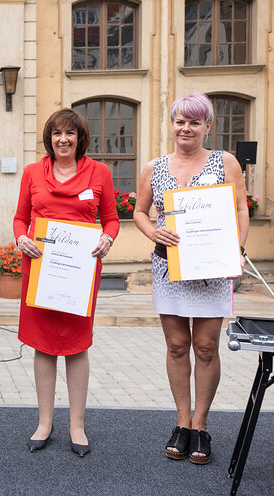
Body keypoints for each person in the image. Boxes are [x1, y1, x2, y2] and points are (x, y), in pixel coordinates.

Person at [133, 93, 249, 465]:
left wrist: (238, 251)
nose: (186, 128)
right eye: (180, 121)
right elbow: (139, 211)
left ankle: (201, 424)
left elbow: (241, 208)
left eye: (195, 122)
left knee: (205, 346)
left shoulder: (225, 162)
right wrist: (153, 233)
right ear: (172, 125)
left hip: (213, 268)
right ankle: (181, 423)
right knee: (178, 345)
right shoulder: (154, 167)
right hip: (170, 268)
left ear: (207, 127)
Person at [13, 108, 119, 457]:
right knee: (43, 346)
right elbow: (20, 218)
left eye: (70, 134)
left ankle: (76, 424)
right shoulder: (32, 172)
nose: (63, 139)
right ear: (49, 138)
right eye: (57, 133)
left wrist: (107, 239)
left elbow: (112, 219)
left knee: (76, 347)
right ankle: (45, 422)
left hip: (80, 273)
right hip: (41, 271)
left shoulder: (99, 172)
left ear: (79, 138)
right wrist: (20, 238)